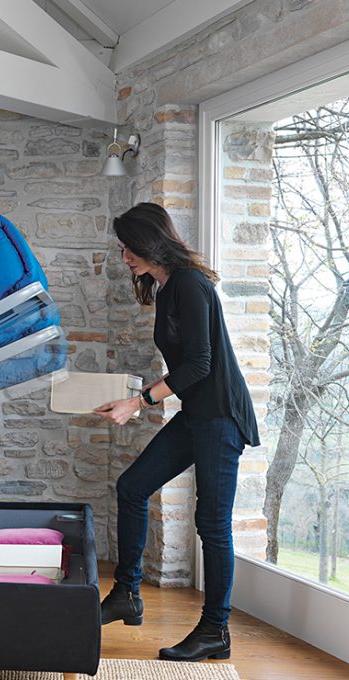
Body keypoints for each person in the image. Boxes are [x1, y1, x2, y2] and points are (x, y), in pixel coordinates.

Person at [92, 202, 259, 662]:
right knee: (132, 487)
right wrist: (132, 394)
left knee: (212, 525)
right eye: (122, 248)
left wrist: (139, 402)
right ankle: (126, 594)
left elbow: (202, 363)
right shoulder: (166, 287)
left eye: (130, 247)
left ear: (151, 242)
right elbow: (186, 365)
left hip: (221, 416)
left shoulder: (189, 283)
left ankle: (215, 631)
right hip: (197, 415)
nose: (125, 256)